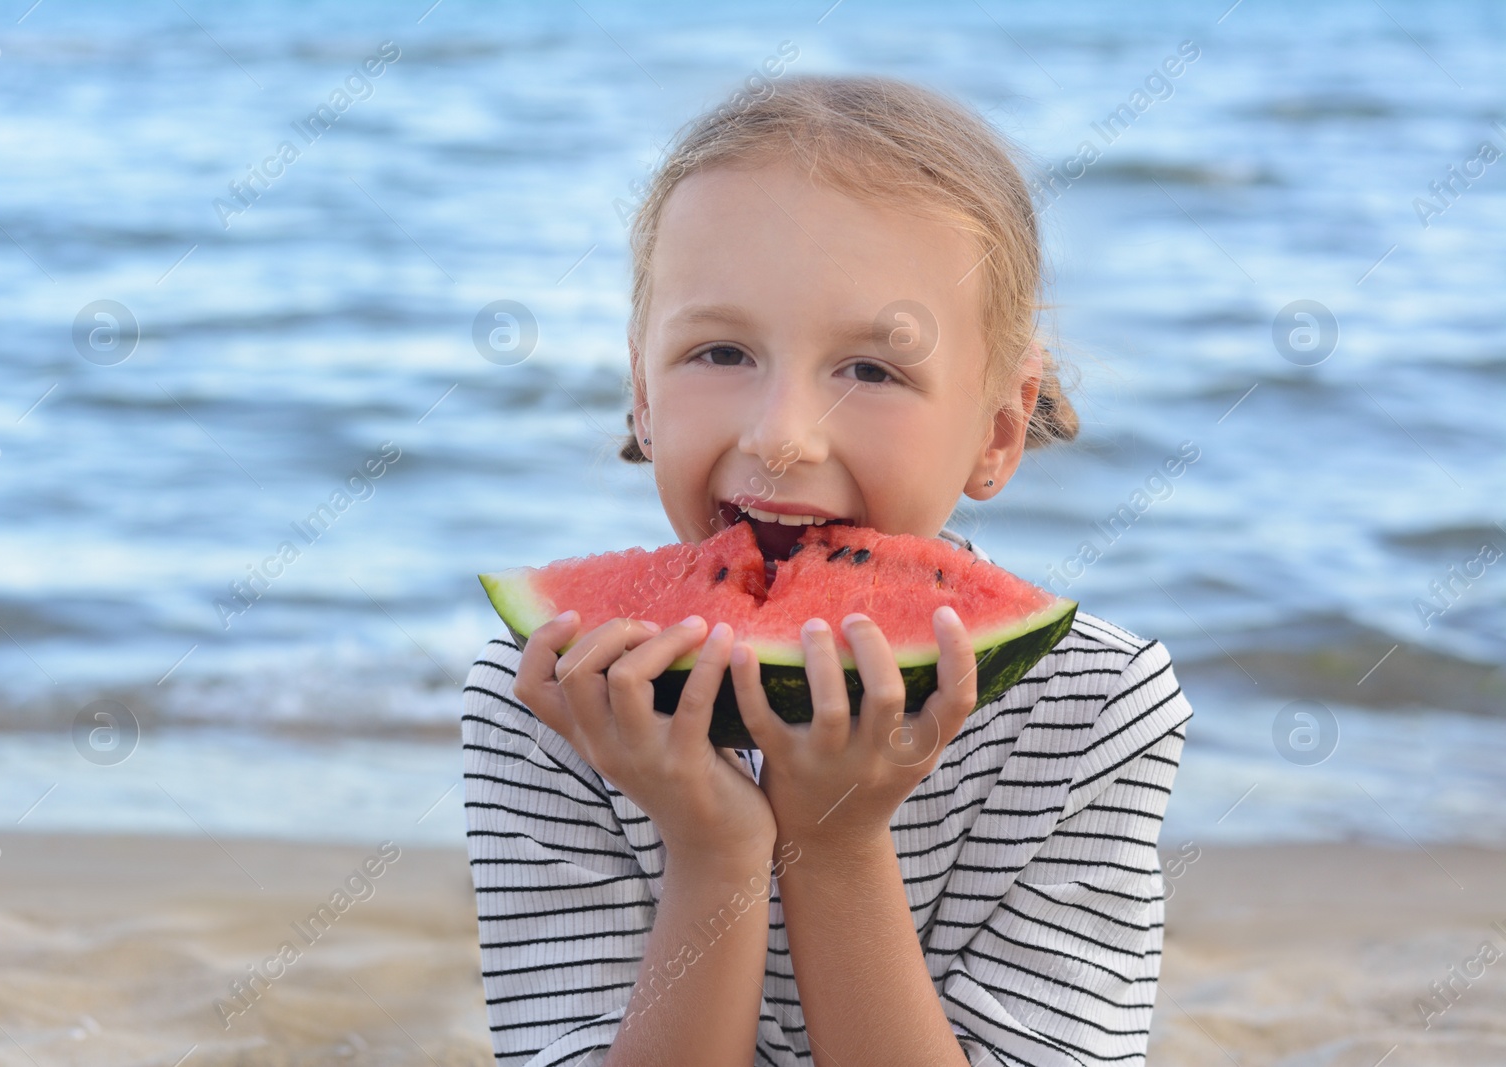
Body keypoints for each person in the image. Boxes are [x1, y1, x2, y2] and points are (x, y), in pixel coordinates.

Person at [462, 74, 1193, 1067]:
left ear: (997, 428)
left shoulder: (1093, 710)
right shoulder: (548, 696)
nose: (783, 437)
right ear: (642, 392)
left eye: (872, 369)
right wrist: (713, 854)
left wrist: (836, 847)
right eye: (720, 351)